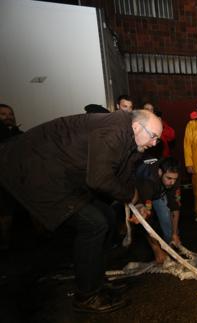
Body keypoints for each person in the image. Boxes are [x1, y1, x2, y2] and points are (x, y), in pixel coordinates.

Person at [0, 109, 162, 313]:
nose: (155, 143)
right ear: (137, 127)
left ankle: (97, 281)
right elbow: (99, 179)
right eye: (154, 136)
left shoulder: (131, 139)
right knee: (94, 224)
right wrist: (132, 197)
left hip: (63, 175)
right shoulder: (114, 131)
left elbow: (124, 174)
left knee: (109, 217)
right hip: (35, 170)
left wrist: (135, 203)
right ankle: (87, 295)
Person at [135, 157, 182, 264]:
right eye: (169, 178)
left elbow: (175, 206)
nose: (172, 182)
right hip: (141, 191)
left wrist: (174, 234)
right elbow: (145, 220)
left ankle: (169, 249)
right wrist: (156, 249)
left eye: (174, 179)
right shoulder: (148, 180)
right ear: (160, 172)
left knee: (170, 229)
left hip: (159, 190)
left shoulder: (174, 175)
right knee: (145, 216)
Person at [0, 104, 23, 249]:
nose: (8, 117)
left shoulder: (19, 133)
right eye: (3, 114)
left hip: (17, 182)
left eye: (10, 114)